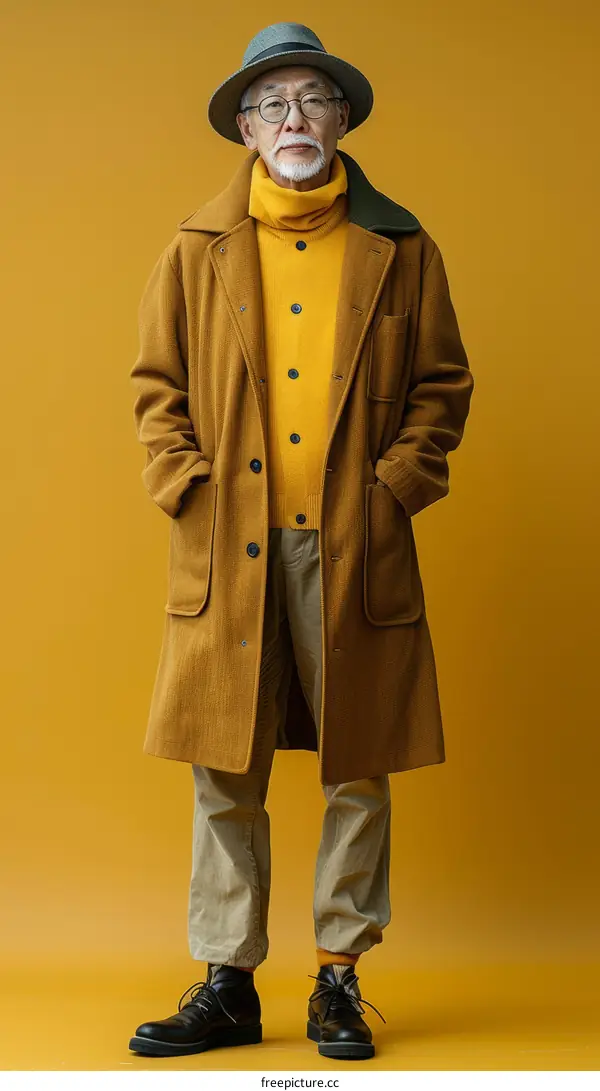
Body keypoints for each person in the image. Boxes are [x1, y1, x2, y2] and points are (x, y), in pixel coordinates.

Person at [128, 21, 474, 1062]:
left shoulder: (403, 247)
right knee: (221, 766)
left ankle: (338, 976)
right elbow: (156, 389)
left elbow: (442, 387)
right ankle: (228, 980)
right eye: (272, 103)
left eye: (312, 100)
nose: (293, 120)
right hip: (228, 542)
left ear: (342, 118)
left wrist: (393, 488)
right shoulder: (196, 249)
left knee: (357, 763)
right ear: (243, 126)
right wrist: (184, 484)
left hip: (353, 543)